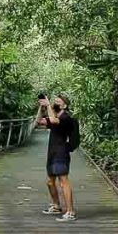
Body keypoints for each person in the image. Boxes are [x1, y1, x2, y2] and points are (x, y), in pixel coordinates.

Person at [39, 93, 76, 222]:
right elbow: (40, 121)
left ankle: (70, 211)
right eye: (55, 101)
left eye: (58, 102)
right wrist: (41, 107)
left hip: (61, 152)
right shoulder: (53, 115)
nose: (56, 103)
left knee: (63, 181)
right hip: (52, 152)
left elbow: (54, 121)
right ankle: (56, 206)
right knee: (50, 181)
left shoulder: (66, 117)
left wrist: (48, 105)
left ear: (65, 105)